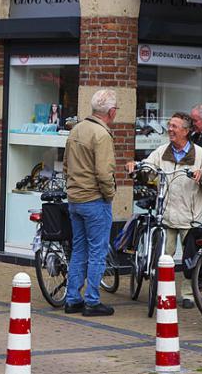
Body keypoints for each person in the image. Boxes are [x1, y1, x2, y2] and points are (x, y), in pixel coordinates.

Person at [129, 112, 202, 309]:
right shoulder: (162, 151)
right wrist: (137, 166)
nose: (170, 129)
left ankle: (188, 294)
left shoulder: (199, 154)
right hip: (167, 214)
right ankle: (164, 292)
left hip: (190, 217)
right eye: (169, 125)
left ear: (186, 132)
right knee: (164, 257)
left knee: (190, 260)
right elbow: (148, 166)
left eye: (174, 126)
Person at [62, 89, 118, 317]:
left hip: (75, 199)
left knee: (79, 250)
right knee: (97, 251)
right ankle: (92, 301)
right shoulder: (102, 135)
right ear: (112, 112)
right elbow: (104, 173)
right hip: (95, 200)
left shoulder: (76, 129)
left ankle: (72, 298)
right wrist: (110, 194)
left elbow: (65, 164)